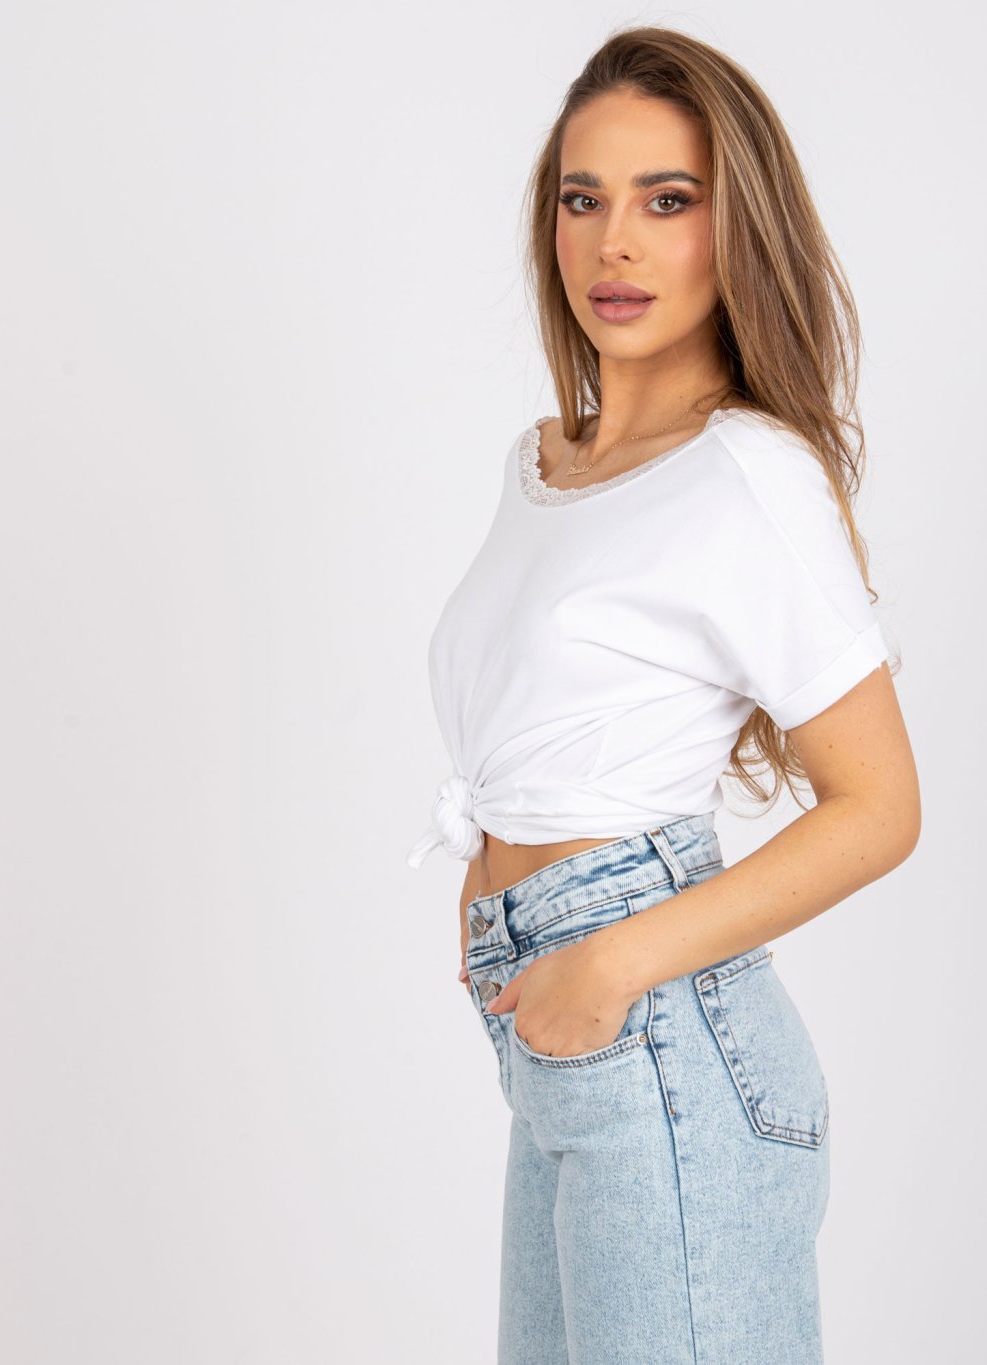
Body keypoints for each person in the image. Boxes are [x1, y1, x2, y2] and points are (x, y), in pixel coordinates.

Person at [406, 25, 920, 1365]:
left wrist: (613, 956)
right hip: (563, 1039)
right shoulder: (547, 464)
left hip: (659, 1036)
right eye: (584, 199)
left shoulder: (746, 472)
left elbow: (879, 808)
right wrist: (503, 905)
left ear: (735, 229)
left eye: (667, 200)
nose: (615, 243)